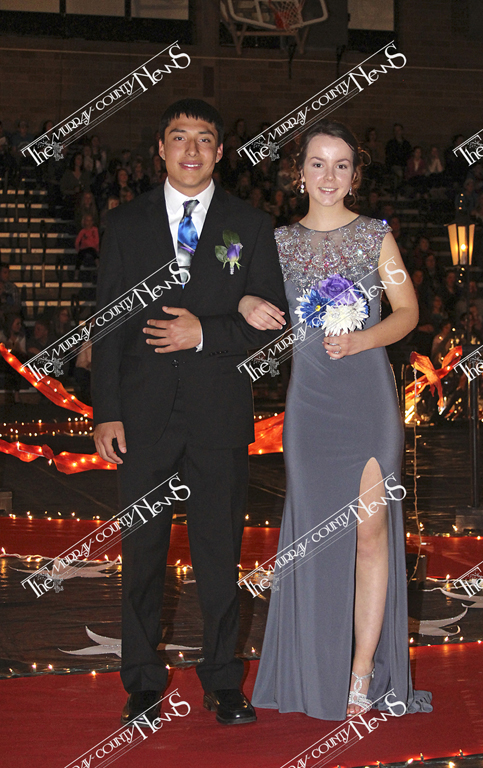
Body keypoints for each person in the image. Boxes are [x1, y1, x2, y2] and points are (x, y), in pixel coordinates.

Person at [92, 99, 288, 728]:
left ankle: (224, 681)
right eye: (179, 138)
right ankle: (142, 682)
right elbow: (109, 325)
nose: (192, 150)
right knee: (142, 556)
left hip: (217, 416)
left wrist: (206, 332)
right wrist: (106, 412)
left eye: (204, 139)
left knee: (218, 556)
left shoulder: (251, 224)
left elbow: (272, 325)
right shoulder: (124, 223)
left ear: (220, 151)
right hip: (141, 419)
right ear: (161, 148)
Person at [239, 119, 431, 720]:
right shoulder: (276, 242)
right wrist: (246, 300)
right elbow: (233, 285)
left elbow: (407, 311)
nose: (329, 175)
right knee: (316, 541)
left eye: (341, 164)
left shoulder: (375, 236)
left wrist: (363, 338)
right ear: (299, 172)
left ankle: (361, 671)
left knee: (370, 532)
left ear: (355, 173)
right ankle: (315, 668)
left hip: (368, 403)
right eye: (318, 163)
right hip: (310, 408)